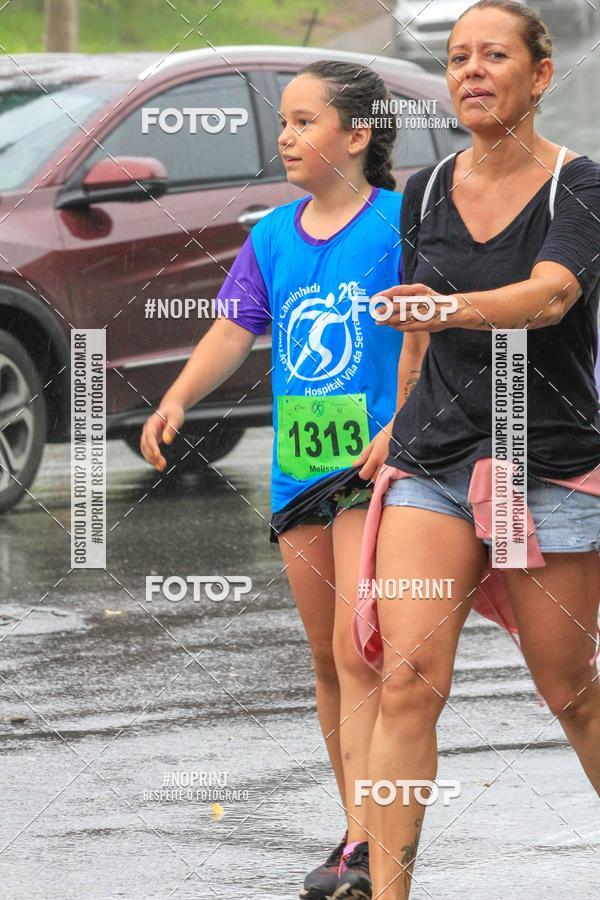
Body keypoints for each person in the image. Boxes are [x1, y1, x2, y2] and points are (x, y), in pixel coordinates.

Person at [140, 60, 427, 900]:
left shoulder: (402, 225)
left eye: (305, 121)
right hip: (298, 470)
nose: (287, 137)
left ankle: (377, 842)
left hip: (369, 468)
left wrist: (398, 427)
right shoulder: (270, 234)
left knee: (358, 649)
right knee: (328, 664)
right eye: (285, 123)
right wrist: (178, 398)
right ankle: (354, 837)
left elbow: (433, 337)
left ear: (359, 133)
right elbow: (234, 329)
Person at [350, 2, 600, 898]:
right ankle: (387, 892)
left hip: (546, 463)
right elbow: (418, 335)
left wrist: (448, 309)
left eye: (495, 56)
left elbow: (550, 299)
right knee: (409, 676)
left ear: (540, 76)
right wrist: (397, 419)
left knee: (570, 690)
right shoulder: (421, 191)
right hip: (435, 459)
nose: (472, 72)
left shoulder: (581, 185)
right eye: (458, 58)